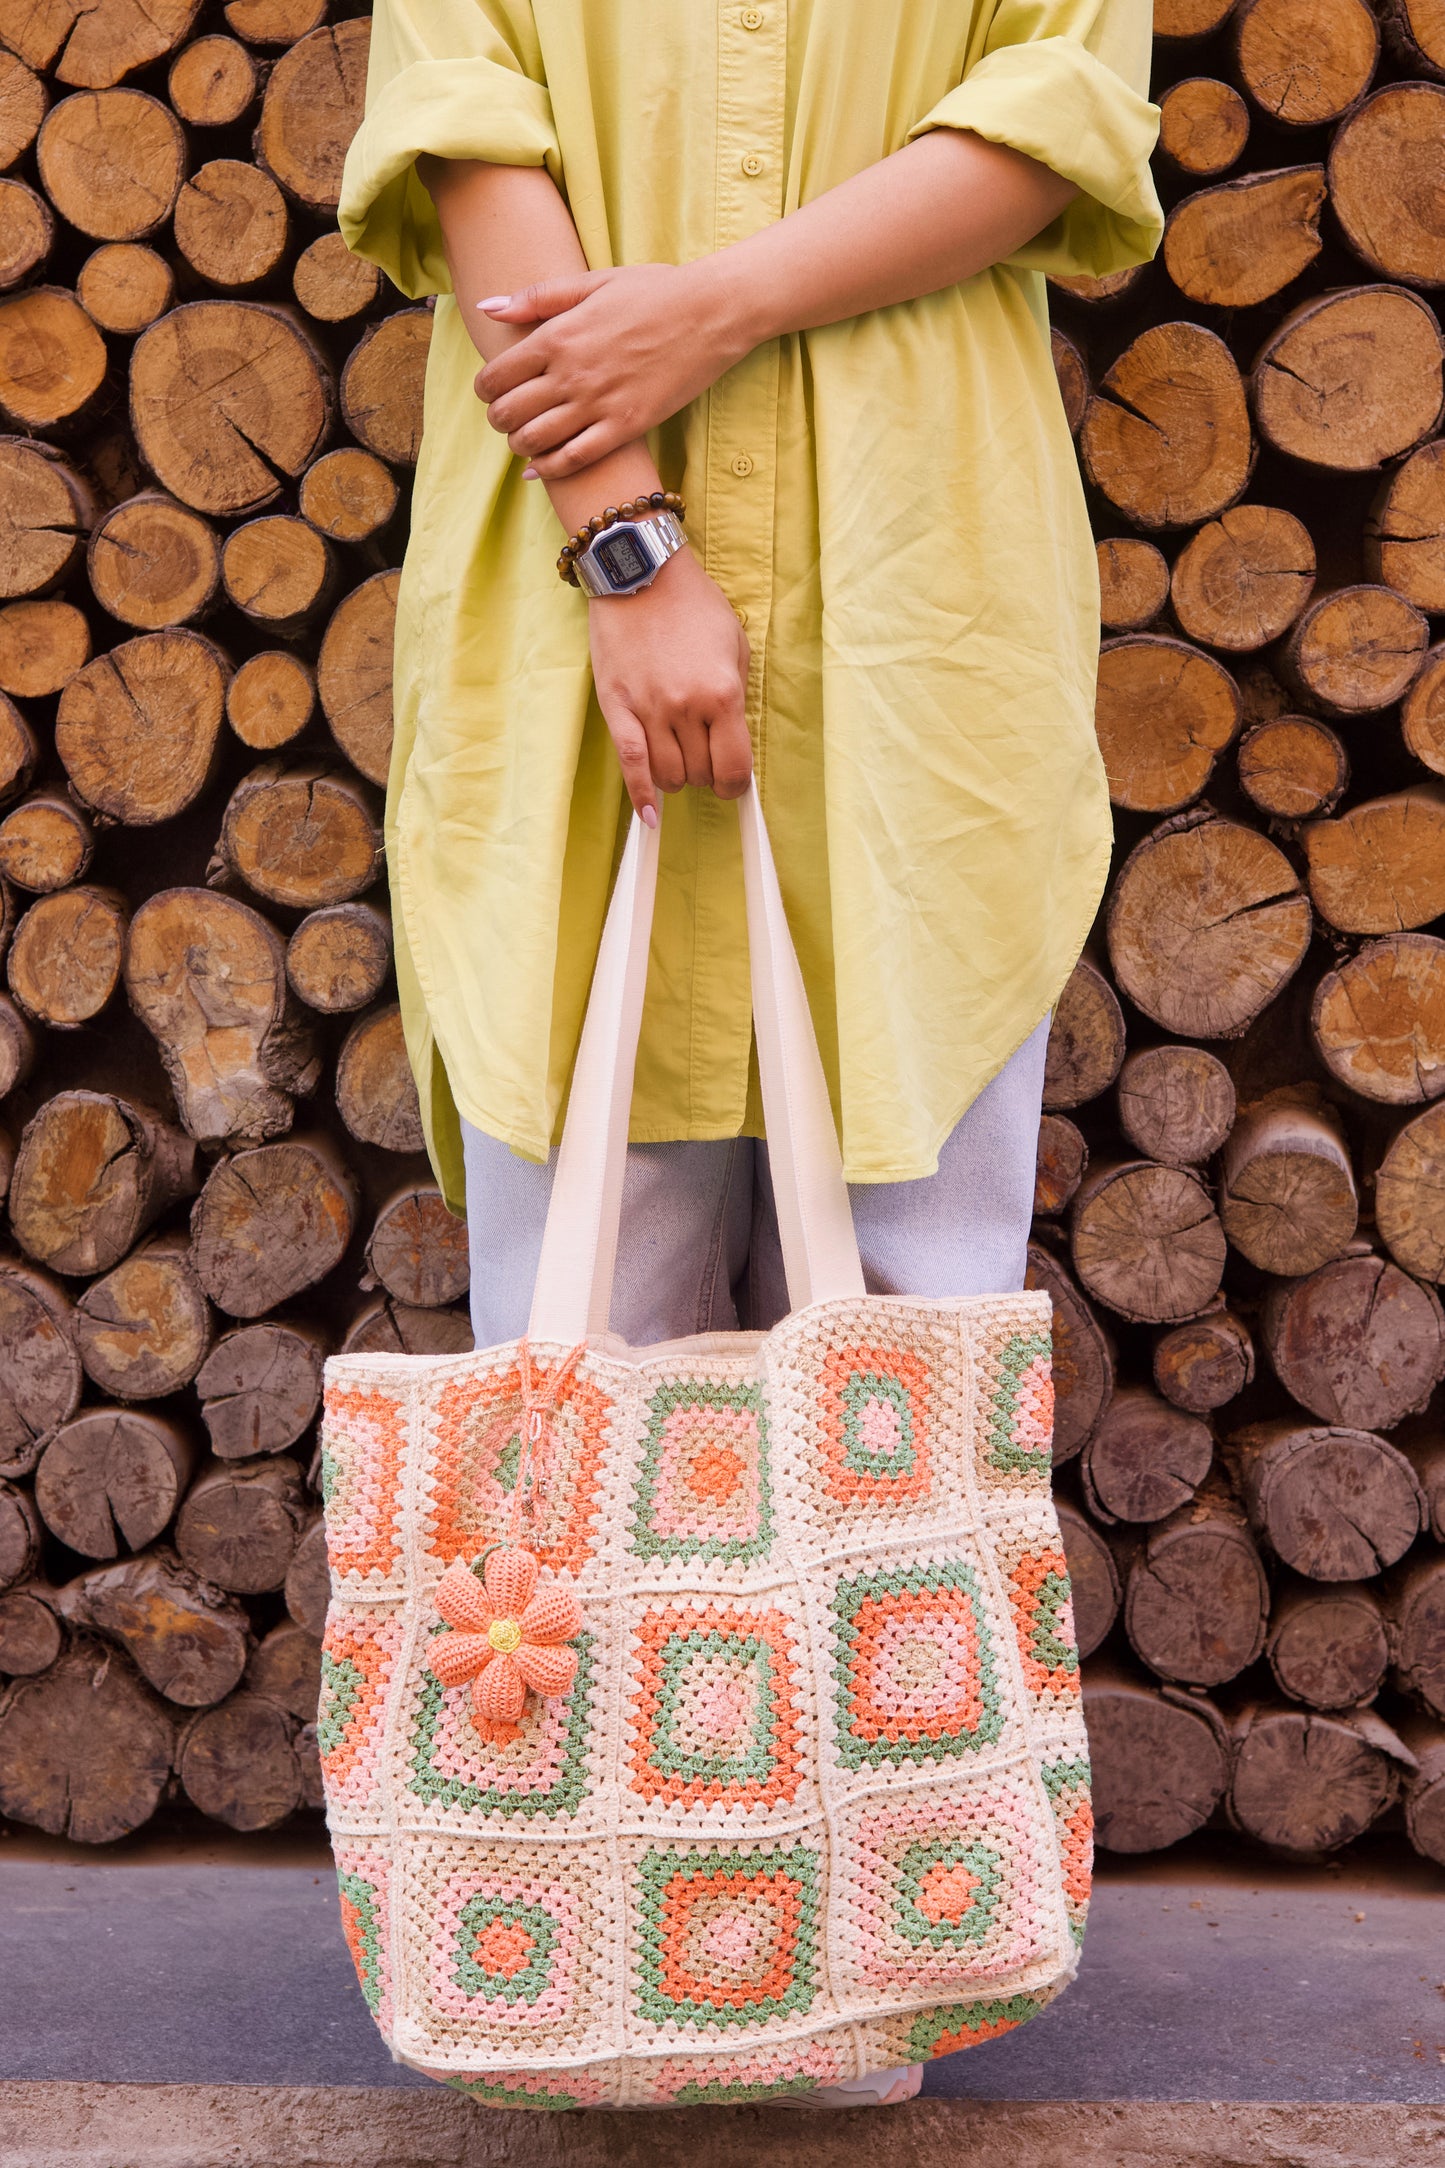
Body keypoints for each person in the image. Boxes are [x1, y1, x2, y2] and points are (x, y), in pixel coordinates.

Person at [339, 0, 1161, 2107]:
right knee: (575, 1342)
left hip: (914, 631)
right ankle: (578, 1964)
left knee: (909, 1308)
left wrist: (702, 315)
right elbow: (465, 116)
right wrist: (628, 531)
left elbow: (1058, 112)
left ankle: (866, 1952)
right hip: (564, 600)